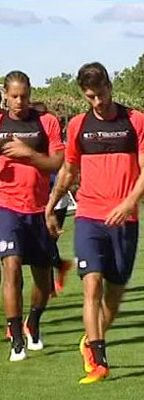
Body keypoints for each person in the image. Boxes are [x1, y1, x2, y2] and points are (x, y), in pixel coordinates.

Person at [45, 62, 144, 384]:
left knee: (115, 294)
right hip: (90, 216)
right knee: (91, 283)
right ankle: (99, 357)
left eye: (101, 93)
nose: (97, 102)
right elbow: (68, 170)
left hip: (125, 218)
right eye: (90, 96)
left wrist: (129, 203)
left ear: (110, 85)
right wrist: (50, 204)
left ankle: (91, 339)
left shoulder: (135, 120)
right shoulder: (78, 125)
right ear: (84, 94)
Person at [0, 71, 64, 361]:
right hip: (6, 206)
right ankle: (15, 338)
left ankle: (33, 320)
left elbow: (56, 163)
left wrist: (28, 154)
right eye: (13, 95)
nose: (19, 101)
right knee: (11, 267)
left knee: (44, 281)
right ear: (4, 94)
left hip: (39, 208)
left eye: (23, 95)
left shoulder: (46, 122)